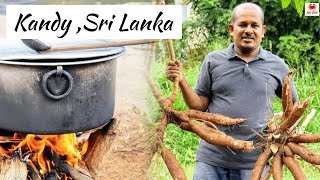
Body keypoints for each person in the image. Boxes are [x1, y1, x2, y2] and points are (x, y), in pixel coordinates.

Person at [166, 2, 298, 180]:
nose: (248, 30)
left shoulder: (277, 65)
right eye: (242, 25)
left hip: (255, 162)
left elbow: (293, 109)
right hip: (211, 160)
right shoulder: (213, 60)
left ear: (263, 30)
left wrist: (282, 133)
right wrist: (181, 81)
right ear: (231, 28)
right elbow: (199, 106)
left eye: (254, 26)